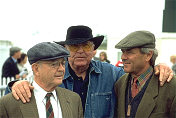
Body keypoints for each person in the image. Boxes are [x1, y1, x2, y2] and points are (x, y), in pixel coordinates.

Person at [7, 26, 173, 118]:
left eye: (86, 46)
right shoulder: (54, 76)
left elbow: (138, 76)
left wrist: (157, 67)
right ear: (65, 50)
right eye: (74, 46)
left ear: (94, 50)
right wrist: (17, 84)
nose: (80, 51)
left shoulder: (113, 74)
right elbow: (34, 87)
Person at [0, 42, 83, 118]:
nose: (61, 69)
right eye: (54, 64)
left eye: (63, 63)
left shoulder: (74, 100)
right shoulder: (9, 104)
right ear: (36, 69)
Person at [114, 31, 176, 118]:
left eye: (129, 52)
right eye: (123, 52)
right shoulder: (120, 83)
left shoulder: (171, 86)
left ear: (148, 55)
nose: (123, 57)